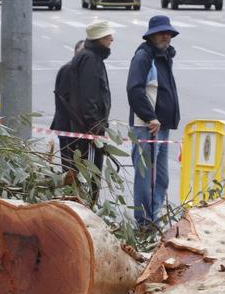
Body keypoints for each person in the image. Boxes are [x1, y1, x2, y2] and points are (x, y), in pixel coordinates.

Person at [126, 15, 181, 229]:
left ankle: (154, 216)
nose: (166, 36)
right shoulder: (144, 57)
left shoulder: (164, 57)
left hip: (162, 128)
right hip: (147, 127)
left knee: (161, 178)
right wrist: (150, 116)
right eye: (162, 33)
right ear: (151, 36)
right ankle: (144, 221)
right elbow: (134, 89)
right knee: (145, 178)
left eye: (169, 33)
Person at [60, 20, 114, 201]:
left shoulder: (89, 57)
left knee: (84, 175)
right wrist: (96, 129)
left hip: (85, 129)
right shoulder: (90, 59)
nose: (111, 39)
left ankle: (84, 205)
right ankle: (88, 208)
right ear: (100, 38)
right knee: (90, 175)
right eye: (108, 36)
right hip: (88, 132)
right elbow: (89, 98)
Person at [51, 39, 86, 174]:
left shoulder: (83, 70)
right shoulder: (68, 70)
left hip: (77, 128)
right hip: (68, 128)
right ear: (76, 52)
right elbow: (65, 102)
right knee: (70, 169)